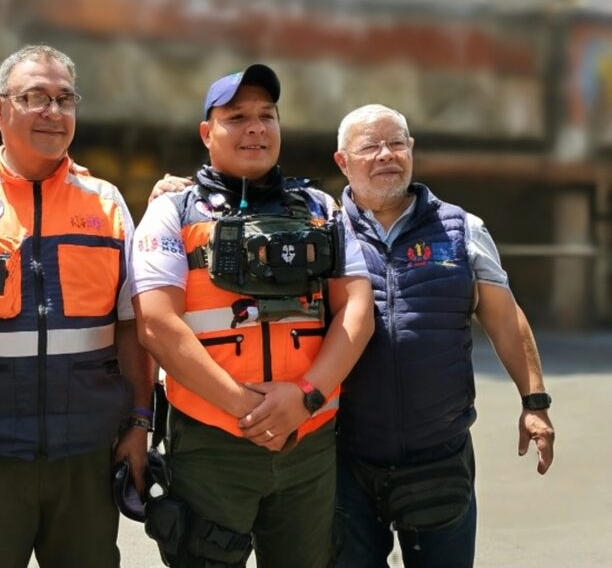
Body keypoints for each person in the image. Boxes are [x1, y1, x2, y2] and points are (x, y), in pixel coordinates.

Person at [131, 64, 374, 568]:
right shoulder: (173, 212)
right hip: (211, 445)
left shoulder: (321, 209)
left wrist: (305, 398)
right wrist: (248, 408)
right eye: (237, 116)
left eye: (267, 115)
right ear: (207, 133)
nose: (256, 127)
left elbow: (356, 309)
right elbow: (156, 324)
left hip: (308, 442)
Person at [0, 44, 154, 568]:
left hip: (87, 460)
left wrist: (140, 422)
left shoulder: (107, 202)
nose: (53, 112)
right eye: (35, 97)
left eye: (65, 98)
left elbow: (130, 327)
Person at [331, 104, 556, 568]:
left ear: (411, 150)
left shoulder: (461, 229)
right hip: (343, 456)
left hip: (440, 456)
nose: (386, 155)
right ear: (343, 161)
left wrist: (535, 402)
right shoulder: (324, 229)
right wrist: (180, 190)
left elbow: (505, 317)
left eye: (396, 143)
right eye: (369, 146)